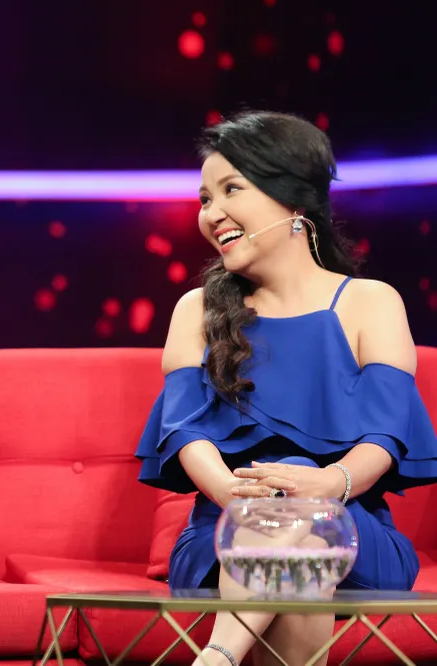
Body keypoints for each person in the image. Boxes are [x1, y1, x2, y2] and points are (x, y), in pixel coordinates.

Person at [135, 111, 437, 666]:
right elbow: (184, 432)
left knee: (303, 516)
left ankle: (216, 657)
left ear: (295, 200)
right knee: (298, 546)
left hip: (353, 523)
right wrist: (234, 496)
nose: (211, 213)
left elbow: (386, 434)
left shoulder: (372, 302)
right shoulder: (195, 310)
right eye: (204, 198)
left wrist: (327, 484)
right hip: (220, 528)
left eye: (231, 190)